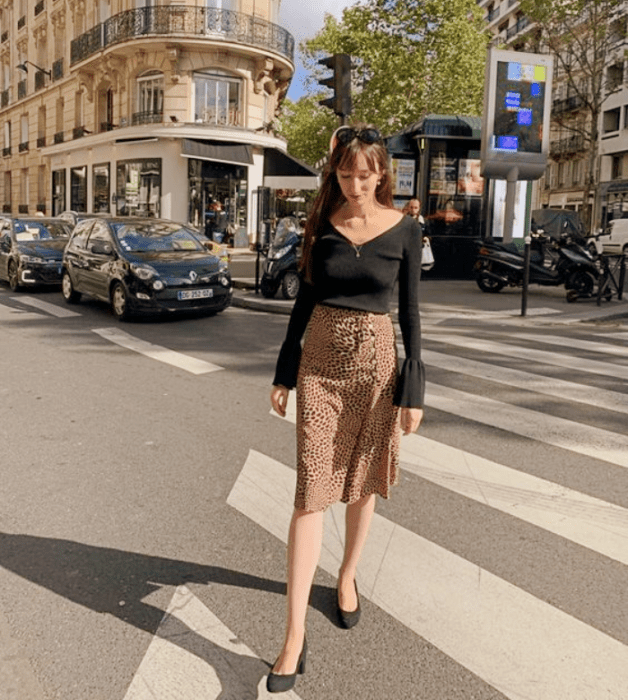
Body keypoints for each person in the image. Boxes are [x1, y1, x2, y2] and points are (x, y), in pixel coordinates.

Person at [267, 123, 425, 693]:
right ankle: (292, 638)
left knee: (360, 481)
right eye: (345, 173)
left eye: (365, 173)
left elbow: (410, 317)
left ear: (382, 172)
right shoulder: (322, 225)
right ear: (334, 174)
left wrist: (416, 389)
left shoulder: (405, 231)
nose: (355, 184)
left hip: (379, 367)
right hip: (321, 367)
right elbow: (303, 303)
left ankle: (349, 574)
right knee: (311, 488)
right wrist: (285, 372)